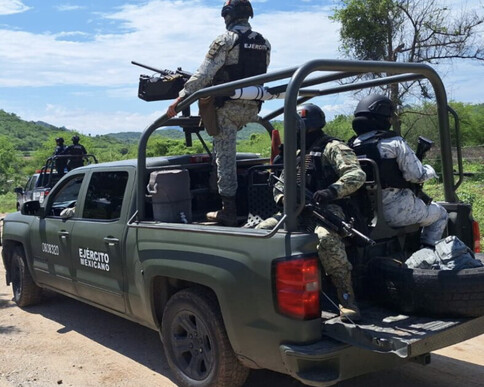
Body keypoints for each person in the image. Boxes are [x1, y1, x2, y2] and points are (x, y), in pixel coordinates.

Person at [257, 104, 366, 321]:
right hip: (296, 210)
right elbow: (279, 182)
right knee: (261, 232)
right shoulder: (294, 152)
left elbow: (356, 174)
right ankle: (262, 292)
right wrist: (283, 198)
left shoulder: (332, 147)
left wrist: (331, 191)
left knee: (326, 240)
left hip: (329, 207)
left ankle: (346, 299)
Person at [166, 0, 270, 226]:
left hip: (228, 109)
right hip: (253, 107)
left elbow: (204, 74)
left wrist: (181, 97)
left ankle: (228, 210)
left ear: (227, 15)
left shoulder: (225, 40)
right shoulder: (263, 42)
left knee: (225, 158)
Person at [348, 94, 448, 248]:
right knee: (441, 214)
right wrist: (430, 170)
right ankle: (428, 253)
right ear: (382, 117)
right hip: (397, 212)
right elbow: (417, 175)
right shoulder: (393, 142)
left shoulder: (351, 146)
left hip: (364, 214)